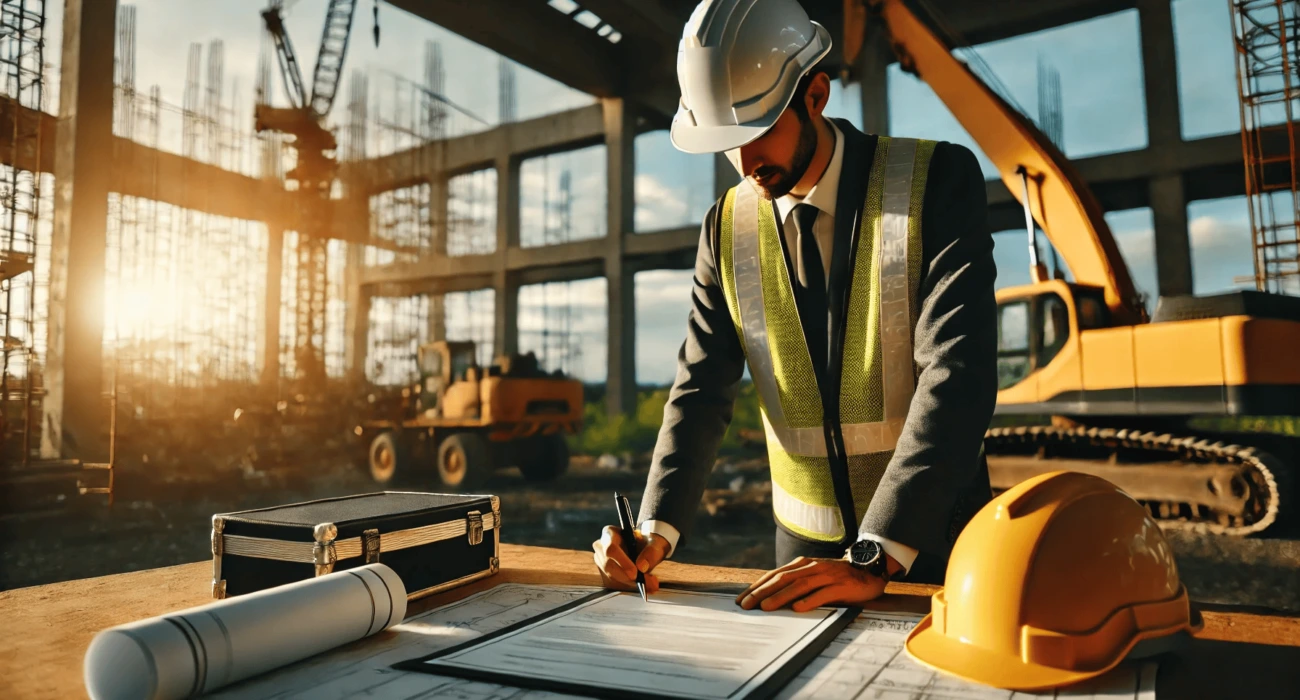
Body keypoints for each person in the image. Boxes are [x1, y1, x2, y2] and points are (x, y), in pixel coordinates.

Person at [592, 0, 997, 611]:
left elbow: (957, 373)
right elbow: (702, 386)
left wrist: (877, 552)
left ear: (816, 95)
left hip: (935, 546)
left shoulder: (936, 181)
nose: (746, 162)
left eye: (758, 131)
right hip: (801, 559)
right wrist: (653, 528)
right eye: (727, 143)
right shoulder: (724, 229)